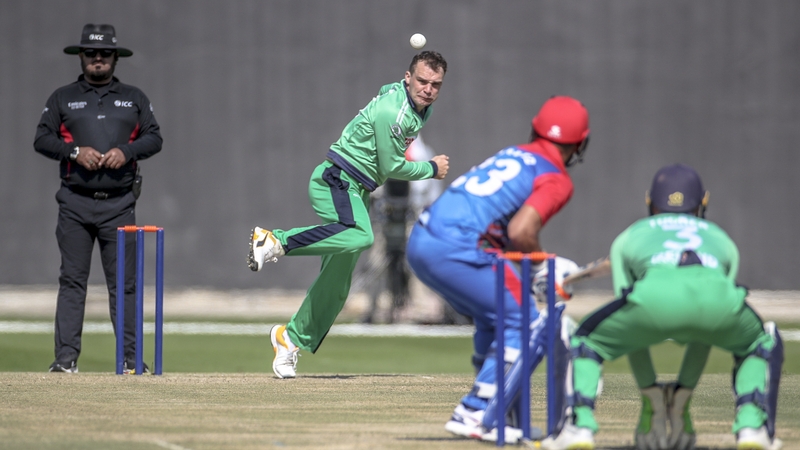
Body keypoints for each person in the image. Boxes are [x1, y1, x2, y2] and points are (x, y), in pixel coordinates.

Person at [543, 164, 783, 450]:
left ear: (649, 202)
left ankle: (578, 427)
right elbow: (705, 328)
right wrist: (682, 396)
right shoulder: (723, 241)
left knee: (582, 341)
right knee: (757, 344)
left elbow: (631, 319)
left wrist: (651, 396)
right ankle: (752, 428)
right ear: (703, 203)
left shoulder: (630, 236)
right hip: (717, 303)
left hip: (653, 299)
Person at [248, 51, 450, 379]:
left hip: (358, 191)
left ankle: (290, 339)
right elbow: (391, 166)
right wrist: (431, 167)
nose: (428, 89)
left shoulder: (413, 104)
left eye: (435, 85)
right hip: (337, 180)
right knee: (361, 235)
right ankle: (276, 241)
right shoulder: (394, 112)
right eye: (422, 81)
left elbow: (389, 88)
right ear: (408, 77)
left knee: (338, 282)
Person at [405, 96, 591, 443]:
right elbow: (521, 232)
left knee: (498, 318)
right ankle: (477, 410)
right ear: (580, 142)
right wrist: (544, 266)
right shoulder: (556, 178)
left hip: (422, 238)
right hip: (458, 247)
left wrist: (533, 268)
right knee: (525, 322)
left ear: (536, 127)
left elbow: (501, 231)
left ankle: (504, 415)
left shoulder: (512, 153)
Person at [34, 24, 163, 373]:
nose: (98, 59)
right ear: (81, 57)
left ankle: (131, 359)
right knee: (72, 280)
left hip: (119, 204)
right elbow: (42, 140)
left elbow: (154, 138)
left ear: (115, 58)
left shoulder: (133, 98)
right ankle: (65, 360)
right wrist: (74, 151)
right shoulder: (62, 97)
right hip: (74, 202)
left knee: (124, 285)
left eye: (104, 53)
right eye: (91, 53)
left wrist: (126, 150)